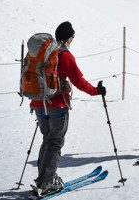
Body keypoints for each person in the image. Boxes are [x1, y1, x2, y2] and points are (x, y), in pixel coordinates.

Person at [30, 21, 106, 197]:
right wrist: (96, 91)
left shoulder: (42, 53)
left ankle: (44, 178)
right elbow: (78, 81)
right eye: (72, 37)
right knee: (55, 142)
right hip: (56, 105)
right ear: (69, 38)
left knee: (47, 140)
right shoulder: (64, 55)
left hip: (38, 103)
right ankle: (48, 181)